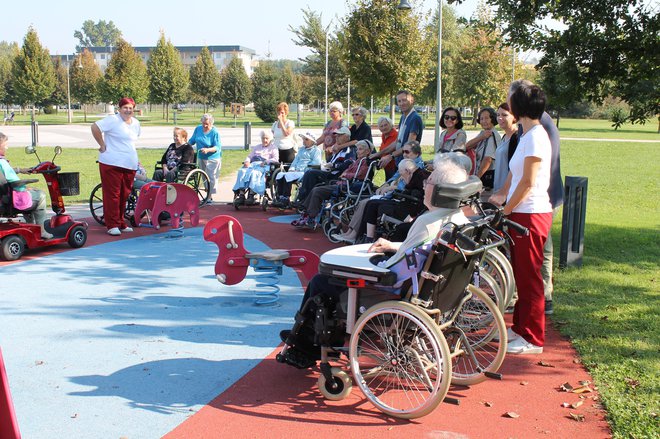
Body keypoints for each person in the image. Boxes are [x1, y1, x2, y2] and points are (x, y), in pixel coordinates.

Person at [279, 158, 469, 368]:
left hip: (392, 293)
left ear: (440, 190)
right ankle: (317, 338)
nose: (424, 186)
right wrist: (392, 246)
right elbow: (418, 249)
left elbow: (393, 269)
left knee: (321, 282)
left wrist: (369, 265)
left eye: (429, 182)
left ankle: (306, 346)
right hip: (433, 291)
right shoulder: (458, 219)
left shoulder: (426, 222)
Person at [489, 81, 553, 355]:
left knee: (530, 278)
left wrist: (506, 209)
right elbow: (514, 176)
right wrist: (499, 197)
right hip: (520, 212)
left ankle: (534, 338)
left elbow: (528, 181)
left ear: (519, 105)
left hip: (531, 214)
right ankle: (520, 328)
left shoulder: (537, 136)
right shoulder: (525, 135)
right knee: (520, 275)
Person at [333, 142, 426, 243]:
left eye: (407, 152)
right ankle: (351, 233)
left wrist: (390, 188)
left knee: (366, 203)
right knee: (365, 203)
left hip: (400, 198)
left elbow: (405, 186)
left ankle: (356, 235)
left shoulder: (414, 167)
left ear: (417, 154)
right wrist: (384, 186)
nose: (404, 154)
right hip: (393, 195)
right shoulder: (406, 163)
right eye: (403, 152)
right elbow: (394, 178)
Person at [291, 140, 373, 230]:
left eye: (360, 149)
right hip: (343, 183)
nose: (357, 151)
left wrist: (346, 175)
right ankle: (306, 212)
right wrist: (345, 174)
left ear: (368, 151)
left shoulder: (367, 162)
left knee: (317, 190)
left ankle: (309, 215)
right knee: (317, 188)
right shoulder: (358, 161)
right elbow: (347, 170)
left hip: (349, 186)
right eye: (357, 149)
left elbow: (360, 174)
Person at [91, 96, 140, 236]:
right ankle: (112, 224)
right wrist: (102, 144)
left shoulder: (136, 123)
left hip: (129, 164)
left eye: (130, 108)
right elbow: (95, 127)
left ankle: (120, 221)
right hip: (111, 163)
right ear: (119, 109)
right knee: (113, 194)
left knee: (124, 194)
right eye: (125, 108)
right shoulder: (113, 120)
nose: (128, 110)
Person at [0, 132, 52, 239]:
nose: (7, 147)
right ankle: (41, 230)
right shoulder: (2, 162)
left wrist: (20, 170)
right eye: (5, 145)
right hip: (8, 199)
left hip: (3, 197)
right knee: (40, 195)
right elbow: (14, 181)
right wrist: (24, 188)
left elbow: (5, 172)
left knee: (31, 194)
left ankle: (31, 225)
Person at [293, 126, 354, 205]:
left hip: (336, 176)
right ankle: (304, 200)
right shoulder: (338, 150)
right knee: (310, 172)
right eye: (336, 136)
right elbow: (329, 162)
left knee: (310, 173)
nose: (336, 138)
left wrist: (333, 165)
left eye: (339, 135)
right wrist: (328, 156)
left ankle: (303, 199)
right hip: (330, 172)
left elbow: (348, 164)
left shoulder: (349, 150)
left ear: (346, 137)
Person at [373, 90, 424, 170]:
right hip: (399, 163)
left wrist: (391, 156)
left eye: (404, 100)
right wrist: (378, 154)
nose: (401, 103)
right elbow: (397, 142)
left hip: (409, 165)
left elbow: (409, 146)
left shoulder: (415, 118)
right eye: (399, 101)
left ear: (412, 100)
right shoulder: (403, 117)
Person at [274, 132, 322, 207]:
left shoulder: (316, 151)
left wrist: (302, 169)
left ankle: (286, 197)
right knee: (280, 175)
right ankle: (280, 196)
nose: (304, 141)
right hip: (296, 171)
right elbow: (295, 161)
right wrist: (292, 168)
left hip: (305, 172)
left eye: (306, 139)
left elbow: (315, 163)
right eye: (303, 139)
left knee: (288, 176)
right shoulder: (301, 149)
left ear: (312, 141)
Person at [232, 130, 279, 202]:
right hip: (253, 164)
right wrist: (247, 161)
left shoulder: (273, 148)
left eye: (267, 138)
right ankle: (241, 194)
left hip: (264, 165)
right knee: (242, 171)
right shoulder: (257, 147)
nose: (264, 140)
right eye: (263, 138)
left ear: (270, 139)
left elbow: (276, 159)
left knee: (255, 173)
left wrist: (266, 161)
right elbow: (250, 156)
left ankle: (251, 194)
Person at [189, 114, 221, 204]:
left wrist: (208, 150)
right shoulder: (198, 129)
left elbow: (217, 147)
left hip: (213, 158)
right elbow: (192, 140)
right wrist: (186, 145)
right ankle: (207, 196)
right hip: (201, 156)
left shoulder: (215, 132)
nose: (204, 125)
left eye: (207, 124)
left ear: (211, 123)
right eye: (203, 123)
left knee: (211, 177)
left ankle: (209, 197)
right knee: (204, 176)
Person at [466, 107, 501, 189]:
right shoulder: (484, 133)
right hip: (480, 174)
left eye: (486, 118)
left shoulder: (492, 135)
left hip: (486, 177)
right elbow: (467, 146)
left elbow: (488, 159)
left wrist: (476, 179)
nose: (483, 121)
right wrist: (482, 137)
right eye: (481, 119)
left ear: (493, 119)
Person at [493, 103, 519, 193]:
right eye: (498, 115)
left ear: (514, 117)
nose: (500, 118)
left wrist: (505, 191)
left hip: (508, 192)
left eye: (504, 115)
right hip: (498, 188)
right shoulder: (504, 136)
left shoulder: (516, 138)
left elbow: (516, 168)